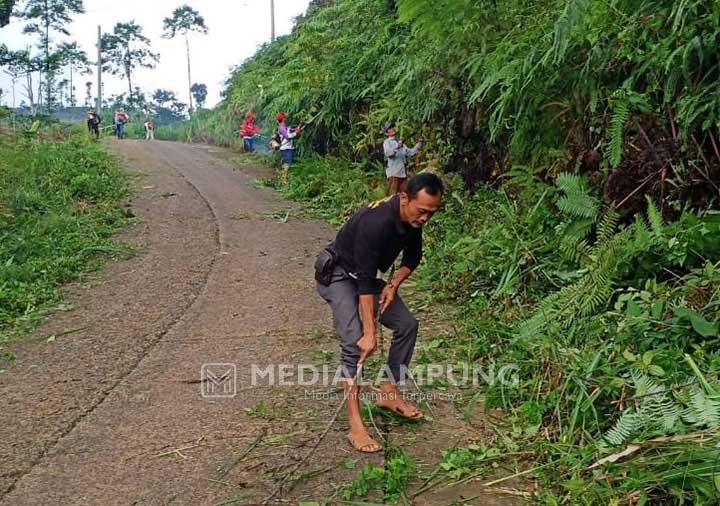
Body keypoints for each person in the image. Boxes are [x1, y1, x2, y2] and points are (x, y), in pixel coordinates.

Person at [315, 173, 444, 453]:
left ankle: (389, 391)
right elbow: (362, 283)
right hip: (339, 274)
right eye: (422, 211)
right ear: (404, 197)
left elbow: (413, 257)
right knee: (355, 341)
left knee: (407, 324)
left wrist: (393, 286)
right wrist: (370, 333)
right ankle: (355, 425)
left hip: (365, 276)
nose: (425, 219)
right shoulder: (376, 222)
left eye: (431, 213)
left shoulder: (412, 220)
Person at [382, 122, 423, 195]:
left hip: (403, 174)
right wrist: (397, 146)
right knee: (391, 197)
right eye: (390, 128)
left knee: (405, 195)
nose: (393, 129)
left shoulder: (400, 143)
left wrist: (419, 143)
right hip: (394, 175)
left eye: (392, 127)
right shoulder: (387, 142)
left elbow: (410, 152)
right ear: (386, 133)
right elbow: (388, 153)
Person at [277, 112, 303, 182]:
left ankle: (286, 178)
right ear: (283, 119)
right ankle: (284, 180)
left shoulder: (286, 127)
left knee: (290, 164)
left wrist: (300, 126)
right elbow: (288, 136)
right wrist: (296, 133)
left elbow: (293, 130)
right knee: (287, 164)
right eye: (285, 117)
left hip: (290, 148)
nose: (286, 118)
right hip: (285, 148)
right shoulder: (281, 127)